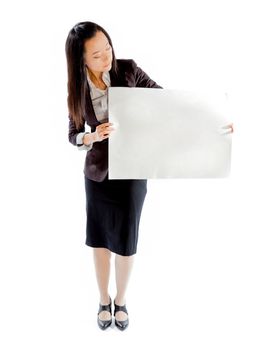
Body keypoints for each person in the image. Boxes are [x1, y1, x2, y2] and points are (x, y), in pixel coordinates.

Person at [65, 21, 163, 331]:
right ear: (81, 59)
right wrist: (91, 137)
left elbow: (164, 100)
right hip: (98, 176)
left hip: (132, 170)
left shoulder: (128, 69)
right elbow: (73, 135)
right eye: (96, 54)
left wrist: (208, 122)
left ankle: (121, 300)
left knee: (126, 240)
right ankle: (102, 298)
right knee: (99, 242)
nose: (106, 57)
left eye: (107, 47)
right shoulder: (77, 89)